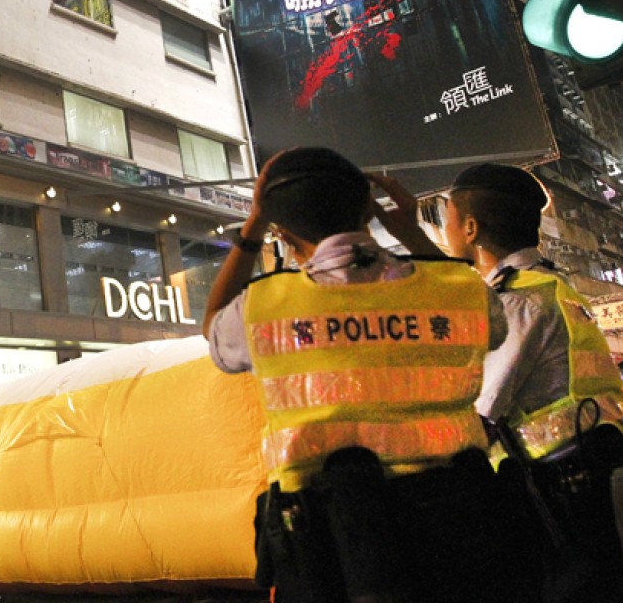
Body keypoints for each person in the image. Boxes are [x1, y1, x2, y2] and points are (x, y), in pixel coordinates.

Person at [203, 147, 530, 603]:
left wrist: (251, 228)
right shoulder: (456, 293)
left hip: (331, 544)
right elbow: (489, 315)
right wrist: (412, 231)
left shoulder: (262, 308)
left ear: (279, 229)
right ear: (368, 209)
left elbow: (212, 326)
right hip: (459, 527)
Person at [443, 162, 623, 598]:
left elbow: (481, 413)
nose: (443, 229)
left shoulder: (516, 300)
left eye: (445, 216)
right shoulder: (548, 284)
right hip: (586, 472)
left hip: (557, 489)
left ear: (470, 227)